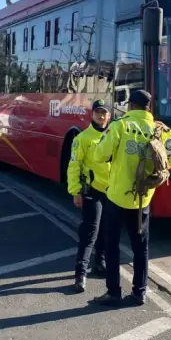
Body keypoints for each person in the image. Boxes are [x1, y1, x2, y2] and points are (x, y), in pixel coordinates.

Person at [91, 89, 171, 306]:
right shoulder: (161, 129)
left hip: (117, 197)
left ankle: (114, 292)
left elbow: (100, 155)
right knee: (141, 248)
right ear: (148, 108)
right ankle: (139, 292)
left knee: (112, 245)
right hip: (144, 199)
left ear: (130, 106)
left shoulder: (120, 125)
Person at [66, 99, 112, 292]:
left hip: (111, 191)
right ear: (92, 114)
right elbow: (74, 165)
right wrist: (75, 191)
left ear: (109, 116)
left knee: (105, 231)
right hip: (92, 190)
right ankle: (80, 274)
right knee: (90, 232)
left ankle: (99, 264)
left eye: (104, 113)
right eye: (98, 113)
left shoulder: (113, 137)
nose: (101, 117)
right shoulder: (83, 138)